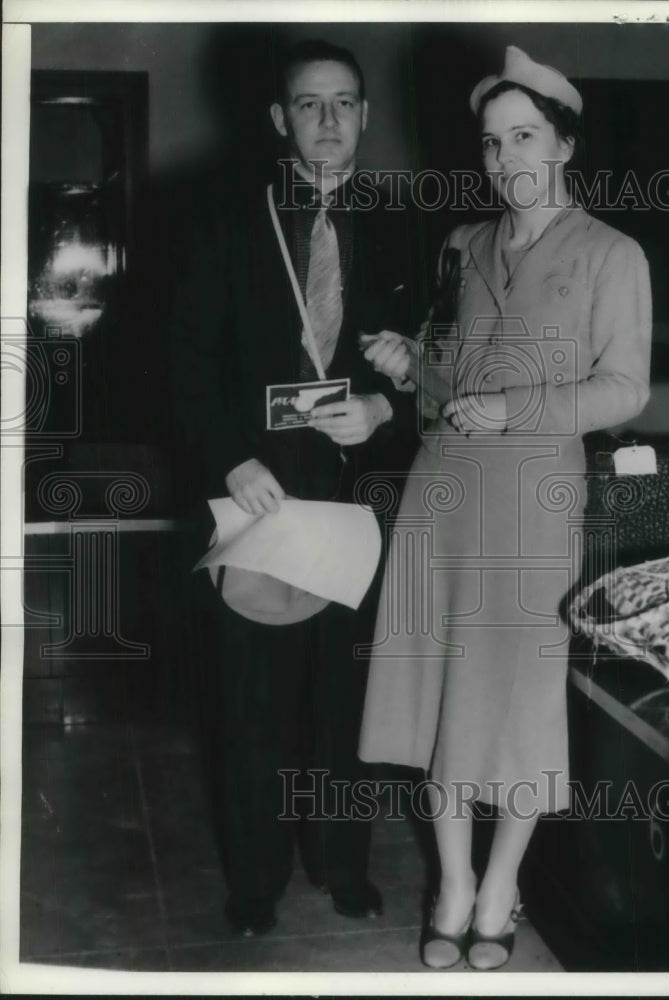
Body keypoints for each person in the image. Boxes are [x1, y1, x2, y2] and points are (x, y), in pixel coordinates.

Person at [359, 45, 652, 970]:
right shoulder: (460, 244)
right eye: (491, 144)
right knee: (440, 696)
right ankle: (452, 882)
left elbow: (624, 390)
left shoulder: (612, 252)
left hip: (534, 500)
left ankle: (498, 889)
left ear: (563, 145)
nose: (506, 160)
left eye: (525, 138)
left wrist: (516, 407)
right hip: (442, 493)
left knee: (519, 707)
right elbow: (444, 386)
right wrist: (413, 368)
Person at [170, 39, 417, 936]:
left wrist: (389, 404)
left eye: (343, 103)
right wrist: (229, 457)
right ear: (279, 119)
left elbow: (432, 360)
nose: (327, 122)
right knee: (252, 706)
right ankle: (253, 881)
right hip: (258, 500)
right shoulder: (222, 219)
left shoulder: (398, 222)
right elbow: (183, 364)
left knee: (344, 705)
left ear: (363, 117)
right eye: (307, 105)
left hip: (356, 504)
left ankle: (343, 865)